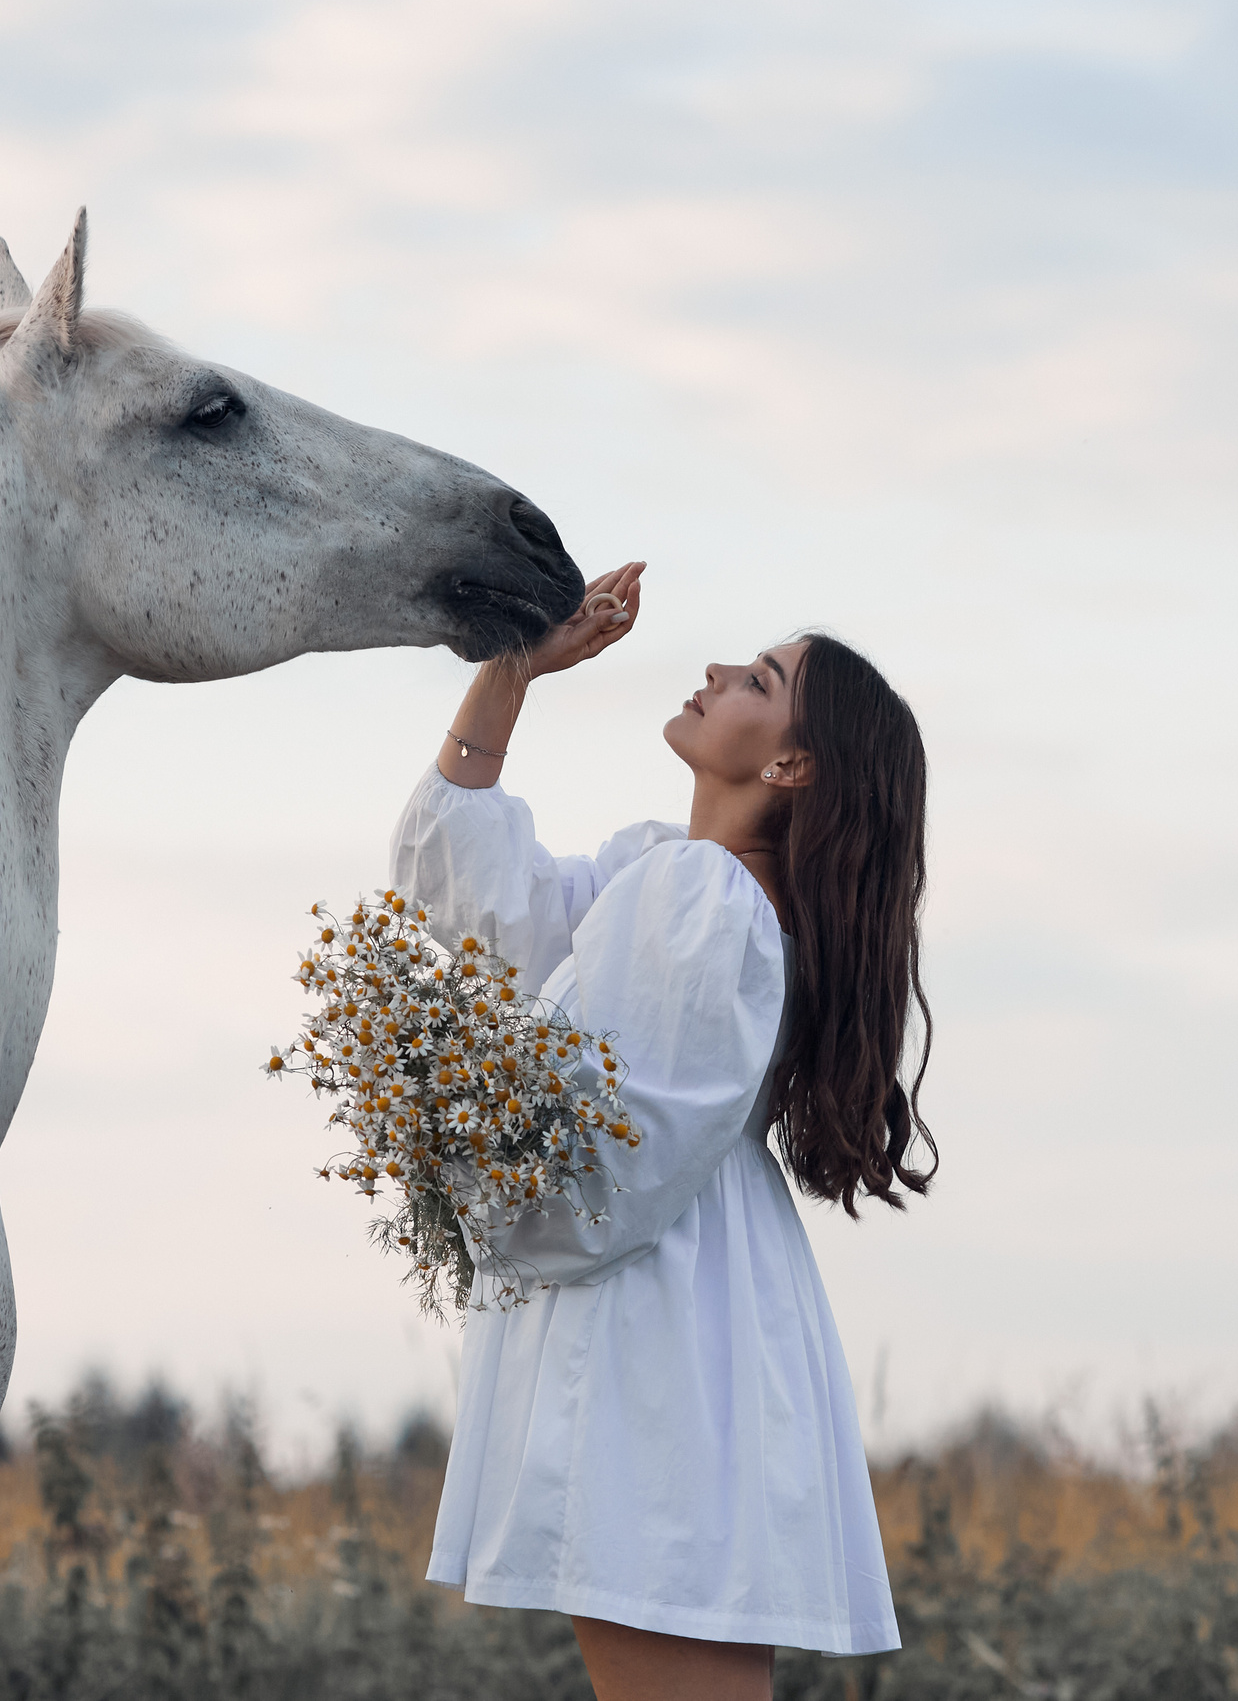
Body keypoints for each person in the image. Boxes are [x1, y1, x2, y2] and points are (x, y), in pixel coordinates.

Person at [389, 561, 934, 1699]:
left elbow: (612, 1162)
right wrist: (509, 676)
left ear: (789, 765)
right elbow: (473, 901)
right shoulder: (665, 876)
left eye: (760, 679)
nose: (717, 671)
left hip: (661, 1336)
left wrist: (465, 1166)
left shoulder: (707, 899)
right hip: (674, 1312)